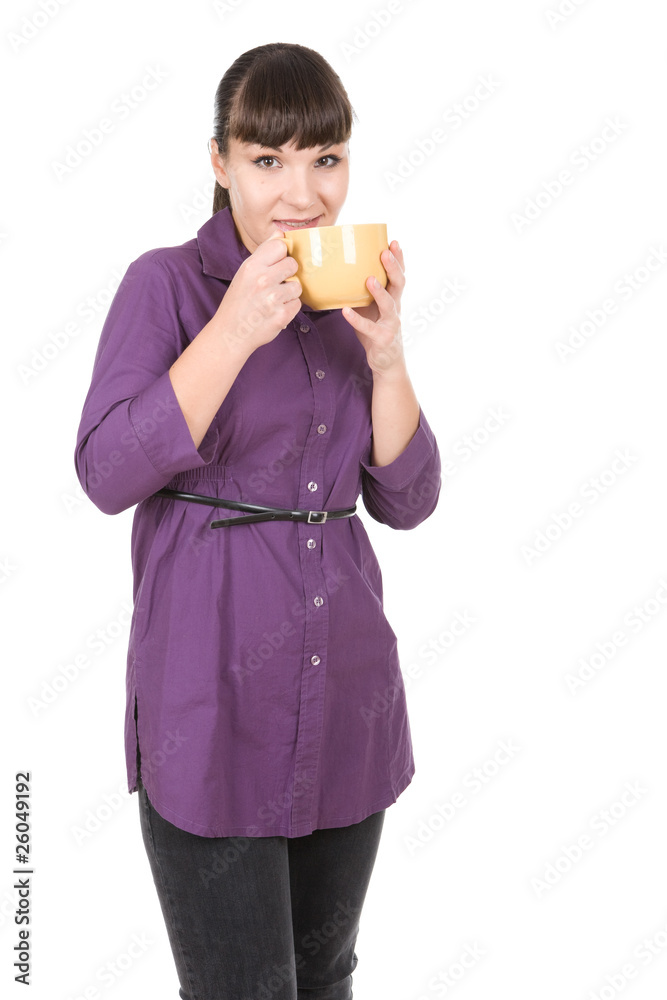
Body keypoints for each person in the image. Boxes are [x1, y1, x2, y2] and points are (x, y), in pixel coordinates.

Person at [74, 41, 441, 1000]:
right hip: (210, 708)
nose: (302, 194)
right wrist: (235, 328)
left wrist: (388, 359)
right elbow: (107, 473)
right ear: (219, 161)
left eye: (326, 159)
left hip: (348, 701)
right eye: (267, 160)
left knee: (324, 979)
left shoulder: (347, 299)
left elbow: (408, 501)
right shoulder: (165, 285)